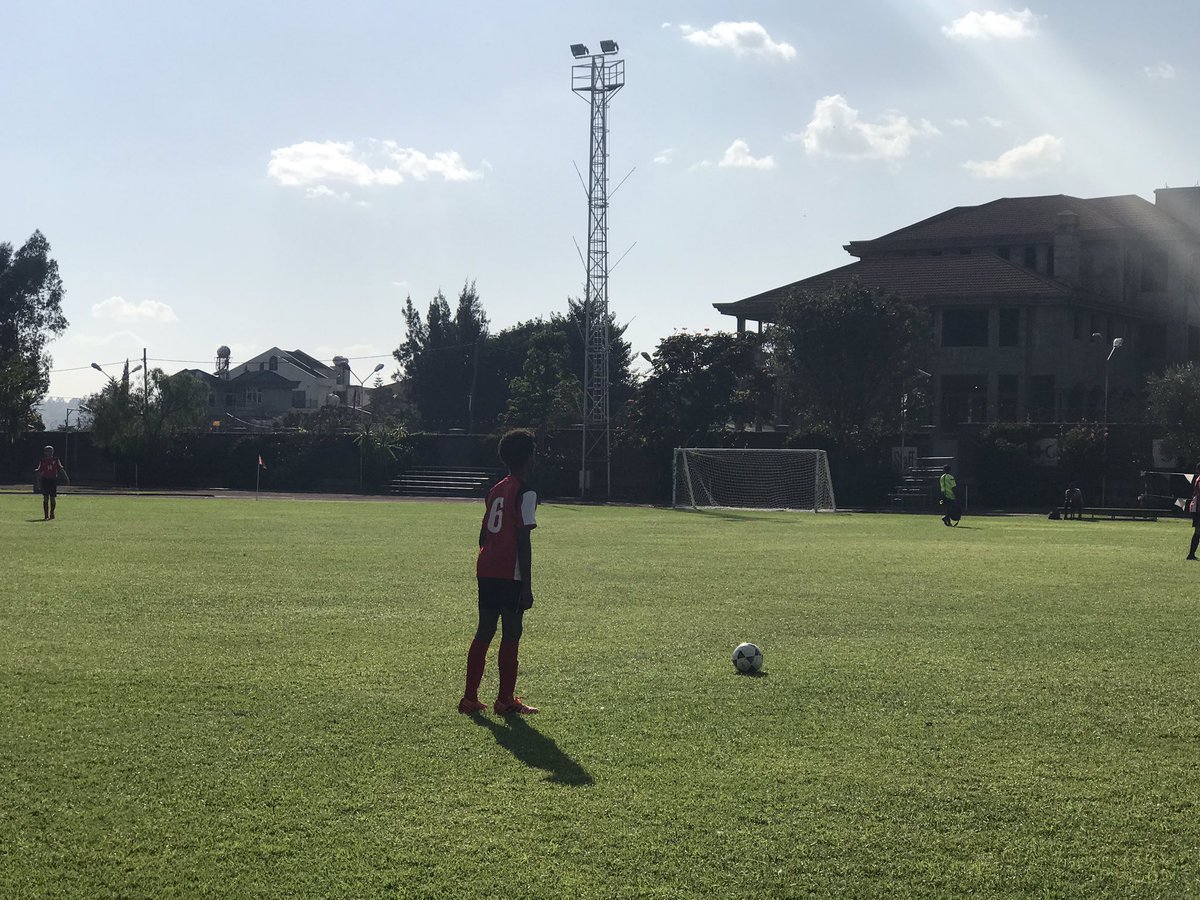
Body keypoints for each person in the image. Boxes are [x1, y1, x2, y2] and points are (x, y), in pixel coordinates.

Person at [459, 429, 540, 715]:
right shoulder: (525, 491)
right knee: (512, 631)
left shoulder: (495, 489)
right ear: (528, 457)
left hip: (487, 568)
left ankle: (469, 697)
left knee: (484, 629)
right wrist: (527, 585)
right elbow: (523, 539)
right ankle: (505, 699)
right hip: (510, 571)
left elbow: (482, 535)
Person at [36, 445, 69, 521]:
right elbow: (39, 472)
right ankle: (46, 515)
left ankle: (52, 512)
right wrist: (38, 483)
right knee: (45, 497)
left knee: (52, 498)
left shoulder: (56, 460)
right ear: (45, 452)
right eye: (48, 451)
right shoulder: (43, 461)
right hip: (45, 480)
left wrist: (66, 478)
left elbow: (61, 469)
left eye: (51, 451)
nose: (49, 453)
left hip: (53, 480)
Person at [1187, 467, 1200, 561]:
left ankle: (1191, 554)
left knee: (1198, 532)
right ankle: (1191, 554)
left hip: (1196, 507)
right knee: (1198, 532)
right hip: (1198, 508)